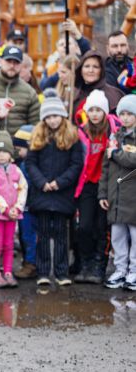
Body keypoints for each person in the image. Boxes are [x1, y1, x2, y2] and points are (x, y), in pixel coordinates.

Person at [0, 45, 42, 279]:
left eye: (16, 62)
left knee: (22, 209)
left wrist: (25, 148)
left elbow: (37, 128)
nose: (12, 65)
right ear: (0, 62)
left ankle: (29, 261)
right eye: (8, 61)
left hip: (19, 162)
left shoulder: (28, 92)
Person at [26, 94, 84, 287]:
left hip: (62, 193)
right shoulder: (38, 137)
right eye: (48, 117)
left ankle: (61, 272)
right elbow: (31, 163)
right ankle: (43, 272)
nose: (52, 120)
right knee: (42, 234)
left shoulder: (72, 137)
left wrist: (60, 182)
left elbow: (76, 165)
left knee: (61, 234)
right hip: (42, 192)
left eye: (55, 116)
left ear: (62, 116)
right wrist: (42, 182)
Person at [74, 90, 119, 283]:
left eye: (98, 110)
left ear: (104, 112)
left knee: (102, 227)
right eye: (91, 110)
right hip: (87, 184)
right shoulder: (82, 131)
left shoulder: (112, 130)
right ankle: (85, 264)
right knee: (84, 226)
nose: (94, 114)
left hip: (106, 184)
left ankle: (99, 266)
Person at [100, 94, 136, 290]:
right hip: (116, 198)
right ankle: (120, 270)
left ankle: (134, 272)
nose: (125, 118)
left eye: (130, 114)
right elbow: (105, 168)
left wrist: (115, 153)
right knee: (117, 237)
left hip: (133, 198)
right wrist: (103, 194)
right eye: (122, 114)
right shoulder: (114, 137)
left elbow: (132, 161)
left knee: (135, 237)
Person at [0, 131, 28, 288]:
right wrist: (5, 209)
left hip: (12, 215)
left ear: (10, 153)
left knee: (9, 244)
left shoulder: (16, 170)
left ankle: (8, 272)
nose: (1, 155)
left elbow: (23, 188)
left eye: (4, 151)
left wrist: (18, 208)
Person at [72, 51, 124, 117]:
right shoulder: (73, 94)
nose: (91, 70)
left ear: (101, 70)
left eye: (95, 67)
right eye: (87, 66)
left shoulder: (115, 94)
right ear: (81, 70)